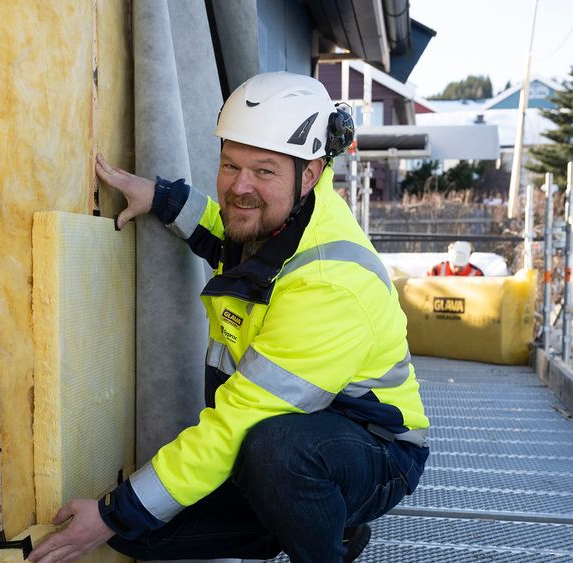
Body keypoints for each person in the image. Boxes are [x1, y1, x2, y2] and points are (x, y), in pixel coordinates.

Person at [28, 72, 429, 563]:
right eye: (230, 164)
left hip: (372, 446)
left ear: (311, 173)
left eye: (264, 171)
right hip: (274, 430)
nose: (240, 186)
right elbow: (227, 230)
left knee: (276, 453)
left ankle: (328, 540)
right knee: (145, 536)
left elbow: (238, 423)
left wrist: (114, 512)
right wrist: (162, 198)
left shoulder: (330, 282)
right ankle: (295, 519)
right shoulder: (280, 219)